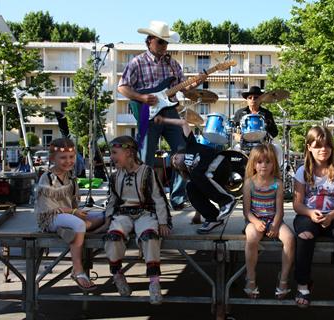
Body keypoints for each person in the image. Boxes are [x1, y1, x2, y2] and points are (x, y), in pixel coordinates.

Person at [117, 20, 206, 210]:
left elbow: (184, 87)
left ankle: (178, 198)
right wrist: (141, 97)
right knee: (146, 158)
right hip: (146, 114)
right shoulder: (137, 62)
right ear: (149, 41)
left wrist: (198, 81)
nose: (164, 46)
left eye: (166, 42)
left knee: (185, 152)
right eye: (160, 42)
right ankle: (145, 198)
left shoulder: (172, 63)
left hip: (170, 112)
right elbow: (122, 87)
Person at [94, 136, 171, 304]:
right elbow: (112, 200)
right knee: (113, 237)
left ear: (129, 152)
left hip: (145, 213)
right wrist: (107, 221)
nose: (112, 157)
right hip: (123, 214)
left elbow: (158, 198)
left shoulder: (147, 172)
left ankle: (154, 283)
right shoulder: (115, 176)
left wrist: (163, 222)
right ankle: (117, 275)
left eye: (115, 153)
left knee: (150, 237)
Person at [293, 126, 334, 308]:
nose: (323, 149)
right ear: (309, 147)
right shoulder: (302, 171)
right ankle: (303, 285)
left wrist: (331, 216)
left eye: (327, 145)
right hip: (308, 215)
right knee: (304, 236)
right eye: (318, 145)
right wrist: (311, 213)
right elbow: (297, 205)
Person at [34, 138, 104, 291]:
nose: (68, 161)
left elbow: (73, 202)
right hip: (50, 217)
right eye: (63, 157)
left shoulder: (71, 177)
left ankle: (72, 230)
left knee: (105, 216)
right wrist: (74, 213)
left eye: (71, 157)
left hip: (68, 216)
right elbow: (49, 208)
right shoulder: (47, 178)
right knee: (78, 224)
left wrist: (77, 212)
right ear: (53, 158)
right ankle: (77, 270)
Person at [155, 116, 236, 234]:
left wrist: (164, 120)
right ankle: (212, 218)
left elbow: (183, 123)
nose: (175, 161)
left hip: (220, 163)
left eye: (175, 157)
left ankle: (227, 201)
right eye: (174, 164)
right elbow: (203, 192)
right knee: (191, 187)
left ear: (181, 152)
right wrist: (198, 215)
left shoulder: (190, 145)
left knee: (196, 174)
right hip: (212, 178)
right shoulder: (192, 173)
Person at [242, 143, 295, 299]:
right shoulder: (249, 183)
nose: (263, 165)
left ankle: (283, 278)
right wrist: (256, 222)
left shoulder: (277, 183)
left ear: (274, 163)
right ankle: (250, 277)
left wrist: (275, 224)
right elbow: (246, 212)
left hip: (274, 218)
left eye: (268, 162)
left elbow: (280, 210)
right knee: (251, 237)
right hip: (254, 219)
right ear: (253, 163)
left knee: (290, 239)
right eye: (259, 162)